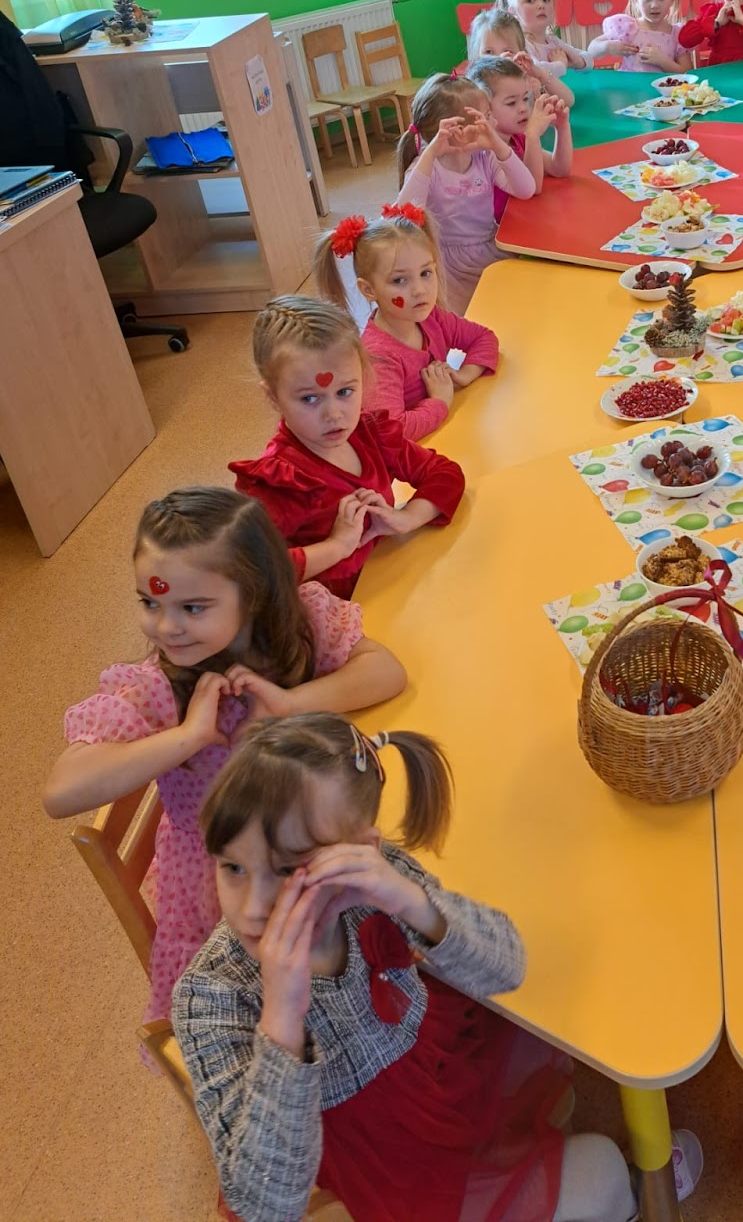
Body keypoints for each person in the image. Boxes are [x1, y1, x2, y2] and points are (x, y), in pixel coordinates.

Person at [174, 713, 638, 1222]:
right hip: (384, 1161)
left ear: (359, 854)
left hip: (443, 1065)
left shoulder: (374, 880)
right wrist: (282, 1017)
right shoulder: (209, 993)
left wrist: (412, 902)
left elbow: (509, 966)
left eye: (287, 870)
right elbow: (266, 1206)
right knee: (606, 1172)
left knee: (551, 1050)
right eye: (233, 867)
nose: (252, 907)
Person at [43, 487, 406, 1030]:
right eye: (149, 602)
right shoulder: (156, 688)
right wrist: (188, 737)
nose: (166, 627)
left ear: (254, 595)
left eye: (192, 607)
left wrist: (290, 702)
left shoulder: (300, 623)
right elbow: (60, 792)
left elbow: (386, 671)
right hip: (232, 885)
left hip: (314, 836)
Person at [230, 296, 464, 599]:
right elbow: (250, 571)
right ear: (273, 397)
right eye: (310, 398)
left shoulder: (371, 433)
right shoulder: (280, 481)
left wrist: (407, 517)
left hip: (395, 583)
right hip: (337, 612)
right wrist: (337, 546)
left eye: (344, 391)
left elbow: (444, 473)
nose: (334, 414)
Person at [313, 206, 498, 442]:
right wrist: (440, 401)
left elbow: (484, 338)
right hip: (405, 458)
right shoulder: (378, 356)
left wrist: (466, 374)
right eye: (400, 280)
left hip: (441, 437)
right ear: (368, 290)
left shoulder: (431, 318)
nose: (419, 290)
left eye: (426, 273)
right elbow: (390, 432)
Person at [397, 74, 538, 314]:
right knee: (471, 317)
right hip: (450, 267)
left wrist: (498, 146)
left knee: (514, 305)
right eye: (486, 116)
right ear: (459, 129)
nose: (494, 122)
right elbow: (401, 217)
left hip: (490, 250)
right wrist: (430, 153)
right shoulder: (427, 167)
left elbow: (526, 189)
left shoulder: (485, 157)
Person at [467, 54, 573, 196]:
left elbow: (559, 170)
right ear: (485, 109)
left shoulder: (518, 139)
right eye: (511, 103)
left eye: (525, 98)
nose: (523, 108)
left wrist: (562, 127)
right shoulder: (489, 151)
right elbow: (533, 189)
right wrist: (533, 135)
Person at [585, 0, 693, 73]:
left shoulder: (677, 35)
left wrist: (662, 61)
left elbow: (687, 73)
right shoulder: (627, 28)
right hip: (630, 84)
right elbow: (591, 50)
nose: (654, 5)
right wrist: (607, 46)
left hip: (663, 84)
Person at [465, 7, 575, 110]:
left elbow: (568, 101)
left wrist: (540, 75)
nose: (499, 59)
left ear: (521, 53)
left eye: (507, 51)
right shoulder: (477, 88)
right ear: (477, 57)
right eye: (488, 52)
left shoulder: (527, 80)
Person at [496, 0, 591, 75]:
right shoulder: (521, 44)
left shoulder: (552, 41)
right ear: (513, 10)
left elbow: (589, 59)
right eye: (530, 0)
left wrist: (576, 61)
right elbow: (535, 69)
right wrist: (560, 64)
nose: (541, 5)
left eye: (546, 0)